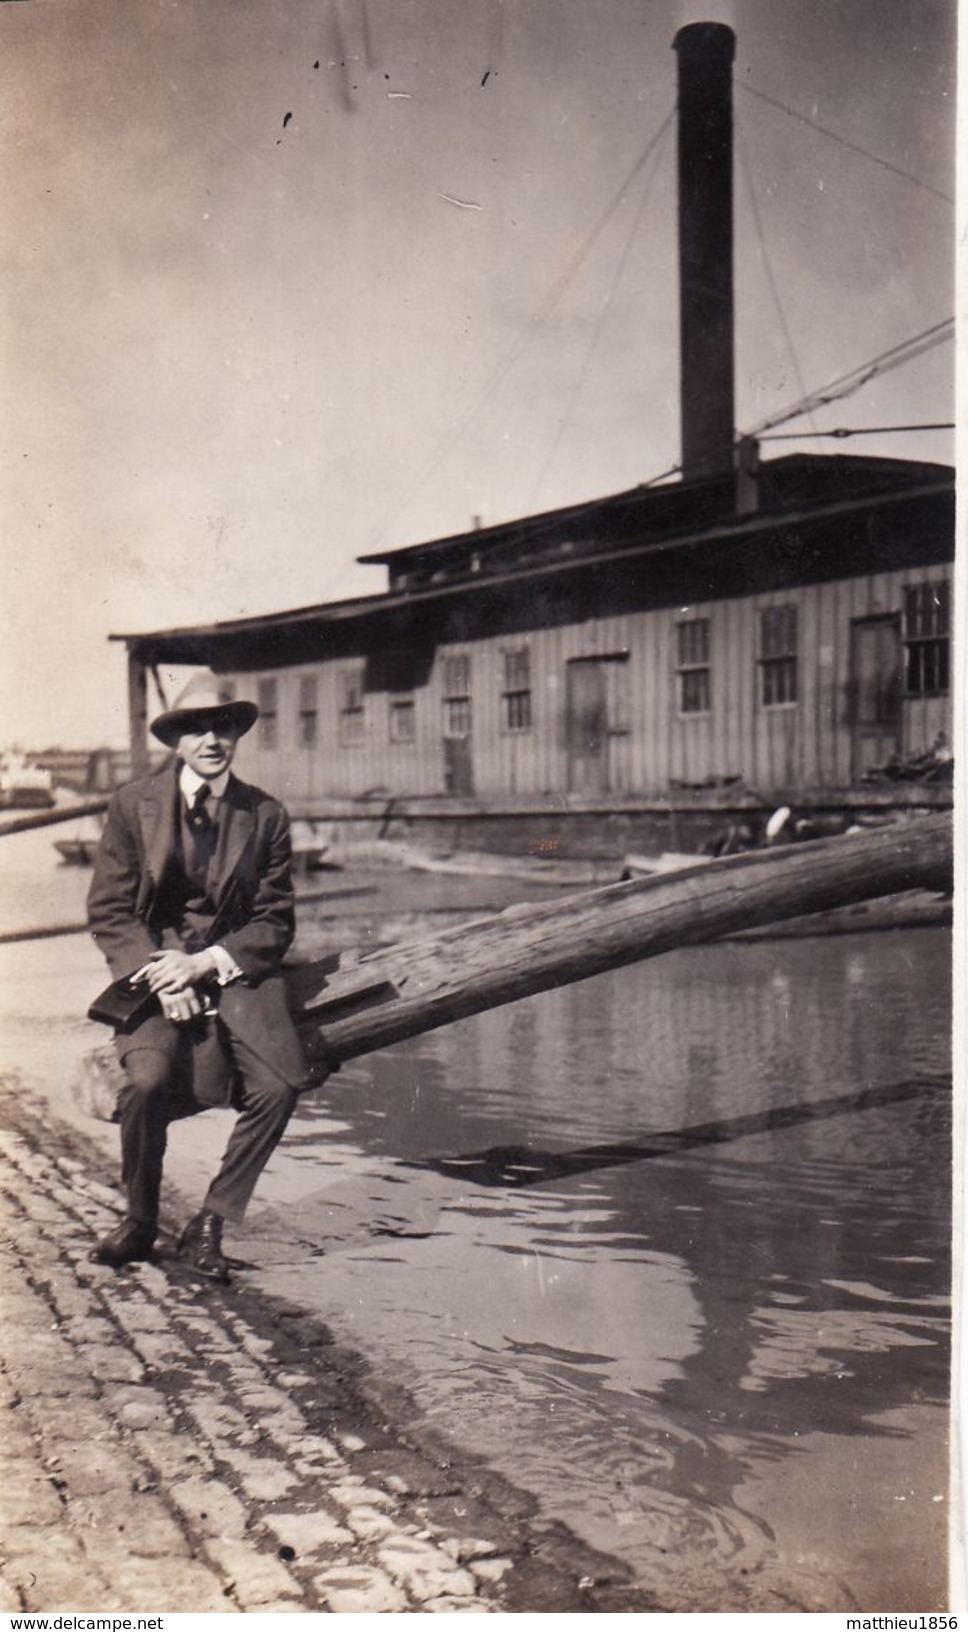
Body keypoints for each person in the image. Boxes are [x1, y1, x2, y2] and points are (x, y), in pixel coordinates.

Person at [86, 673, 316, 1280]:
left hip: (234, 972)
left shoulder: (265, 814)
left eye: (223, 727)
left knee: (279, 1087)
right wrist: (166, 975)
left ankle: (211, 1221)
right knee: (145, 1082)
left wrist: (206, 964)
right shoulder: (132, 805)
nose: (211, 739)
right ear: (177, 741)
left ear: (236, 734)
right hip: (156, 973)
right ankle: (139, 1221)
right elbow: (109, 910)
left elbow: (274, 923)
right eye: (197, 728)